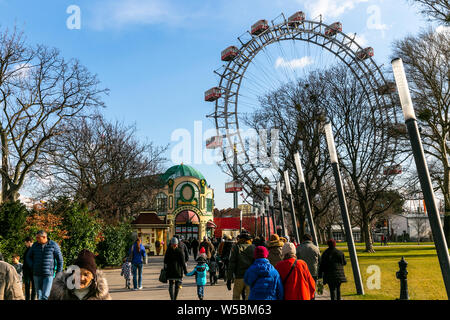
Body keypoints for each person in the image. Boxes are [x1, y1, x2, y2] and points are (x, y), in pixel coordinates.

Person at [27, 230, 64, 300]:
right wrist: (32, 266)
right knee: (39, 296)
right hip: (37, 274)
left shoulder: (53, 245)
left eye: (38, 238)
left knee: (45, 296)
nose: (36, 239)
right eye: (36, 237)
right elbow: (28, 257)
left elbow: (60, 260)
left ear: (44, 237)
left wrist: (59, 273)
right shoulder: (35, 245)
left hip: (48, 275)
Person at [226, 231, 255, 300]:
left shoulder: (236, 247)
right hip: (250, 277)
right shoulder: (253, 248)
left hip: (239, 276)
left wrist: (229, 278)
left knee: (236, 296)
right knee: (249, 296)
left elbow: (232, 263)